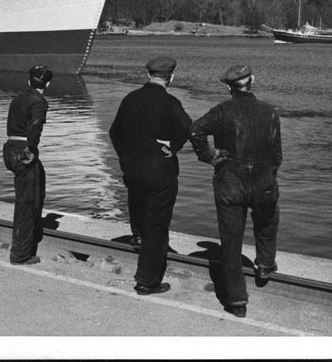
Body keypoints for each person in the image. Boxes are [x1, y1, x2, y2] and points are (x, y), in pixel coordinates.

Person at [189, 65, 282, 318]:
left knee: (231, 242)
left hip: (230, 181)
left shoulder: (222, 111)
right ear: (253, 80)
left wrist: (210, 157)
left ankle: (237, 301)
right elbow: (276, 154)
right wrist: (269, 174)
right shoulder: (269, 111)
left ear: (228, 87)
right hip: (262, 181)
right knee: (267, 220)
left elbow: (195, 130)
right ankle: (264, 265)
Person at [109, 56, 191, 295]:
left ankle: (138, 238)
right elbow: (189, 127)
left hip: (133, 169)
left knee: (137, 205)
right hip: (159, 171)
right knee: (157, 225)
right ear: (171, 78)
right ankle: (147, 281)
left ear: (148, 75)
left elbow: (115, 132)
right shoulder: (170, 102)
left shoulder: (130, 99)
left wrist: (126, 157)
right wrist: (172, 145)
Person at [3, 64, 53, 265]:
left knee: (37, 186)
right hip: (23, 151)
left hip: (10, 148)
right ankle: (20, 254)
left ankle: (33, 235)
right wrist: (31, 150)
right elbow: (36, 128)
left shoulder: (18, 98)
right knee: (27, 203)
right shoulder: (39, 102)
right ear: (48, 84)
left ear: (29, 81)